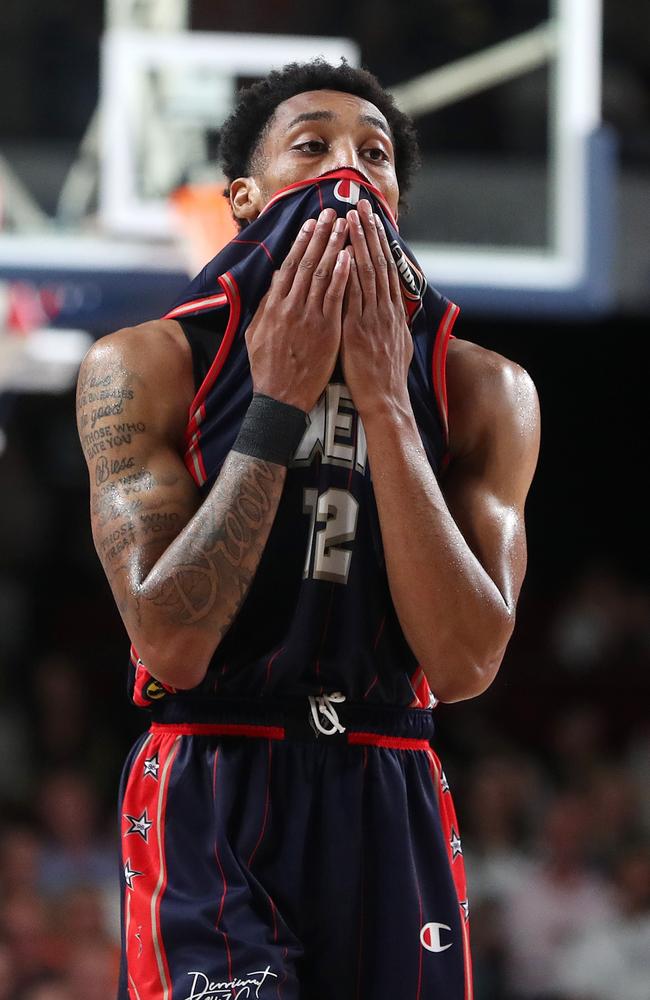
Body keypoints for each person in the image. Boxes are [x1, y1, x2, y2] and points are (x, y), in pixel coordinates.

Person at [76, 59, 540, 1000]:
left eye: (375, 155)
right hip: (214, 772)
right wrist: (277, 403)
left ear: (398, 204)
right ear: (243, 199)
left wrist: (387, 406)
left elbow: (464, 665)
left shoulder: (487, 389)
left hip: (389, 777)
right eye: (312, 147)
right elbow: (171, 639)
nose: (348, 172)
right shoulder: (146, 364)